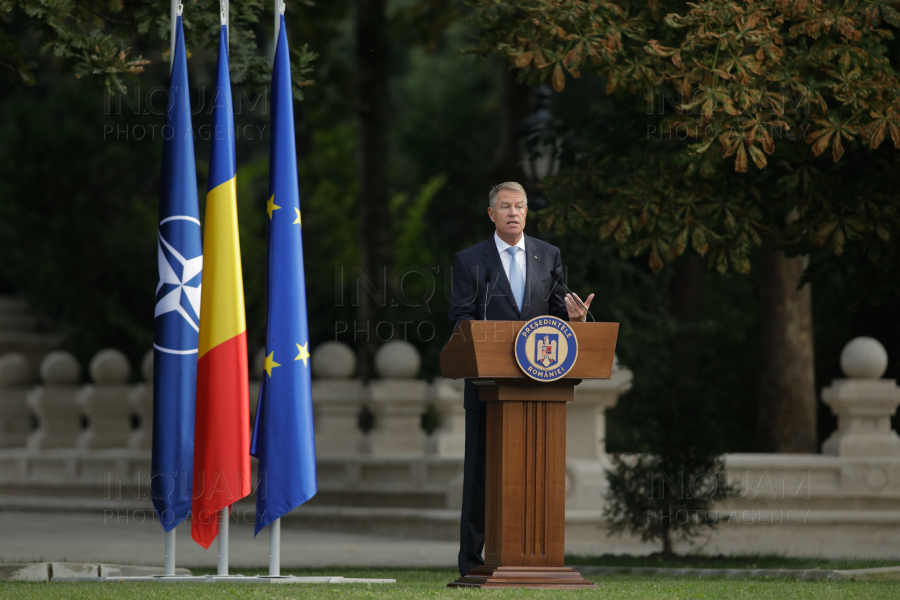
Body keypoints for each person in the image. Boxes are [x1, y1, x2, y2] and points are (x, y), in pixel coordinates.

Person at [447, 181, 594, 577]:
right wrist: (489, 340)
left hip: (539, 388)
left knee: (534, 475)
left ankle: (534, 556)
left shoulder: (549, 256)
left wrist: (575, 321)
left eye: (521, 206)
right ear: (491, 214)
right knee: (480, 477)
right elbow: (460, 319)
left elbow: (554, 315)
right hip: (487, 387)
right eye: (506, 206)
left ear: (527, 212)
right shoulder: (469, 260)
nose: (514, 212)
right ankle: (472, 562)